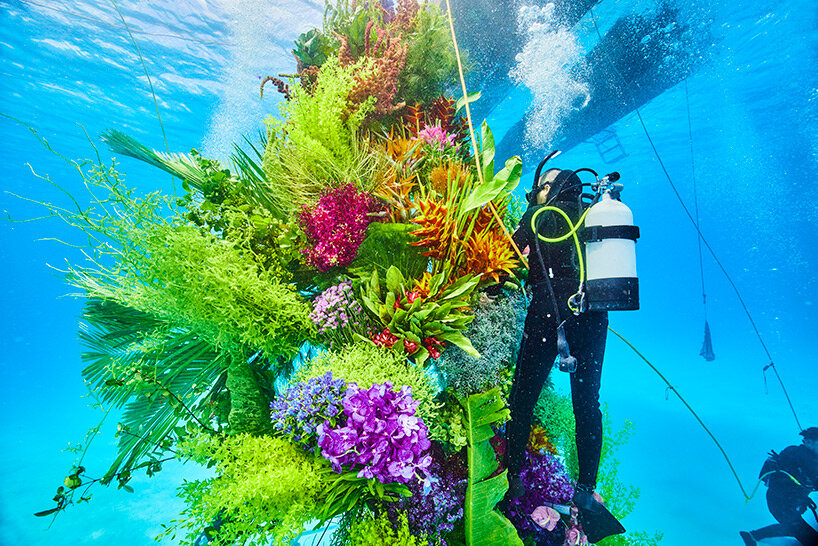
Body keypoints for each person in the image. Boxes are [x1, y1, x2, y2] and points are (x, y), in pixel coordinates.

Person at [502, 165, 625, 542]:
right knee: (587, 405)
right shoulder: (594, 215)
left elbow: (507, 255)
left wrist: (527, 218)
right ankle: (585, 492)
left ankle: (512, 479)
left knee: (522, 400)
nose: (536, 192)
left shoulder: (539, 216)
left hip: (546, 316)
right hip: (593, 319)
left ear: (552, 189)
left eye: (541, 186)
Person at [740, 427, 818, 546]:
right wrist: (799, 499)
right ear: (809, 442)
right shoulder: (801, 456)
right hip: (781, 502)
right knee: (802, 533)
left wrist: (801, 499)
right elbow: (786, 482)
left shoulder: (801, 455)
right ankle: (753, 536)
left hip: (783, 502)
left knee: (794, 529)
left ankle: (754, 536)